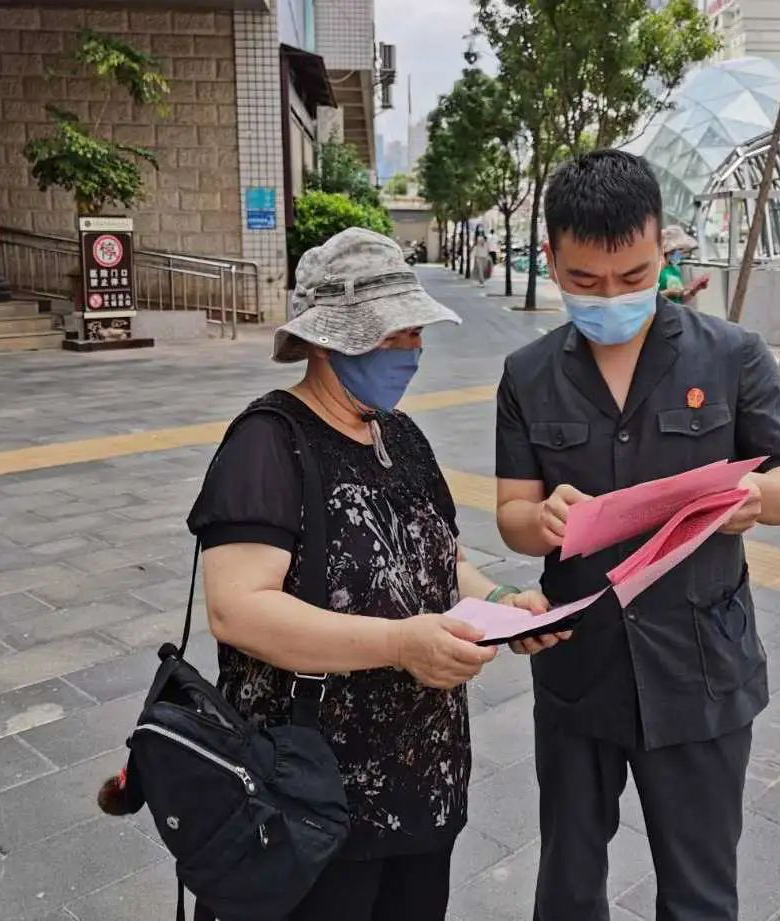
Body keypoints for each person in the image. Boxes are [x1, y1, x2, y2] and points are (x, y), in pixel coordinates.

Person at [187, 228, 554, 921]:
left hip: (421, 789)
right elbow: (238, 609)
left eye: (415, 333)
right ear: (329, 341)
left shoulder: (401, 434)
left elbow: (443, 560)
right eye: (392, 335)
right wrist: (400, 644)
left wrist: (506, 603)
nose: (411, 350)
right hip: (309, 799)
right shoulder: (268, 441)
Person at [494, 150, 780, 921]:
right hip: (580, 666)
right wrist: (540, 520)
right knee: (568, 885)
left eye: (633, 275)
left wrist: (757, 496)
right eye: (585, 280)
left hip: (699, 667)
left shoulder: (730, 355)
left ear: (662, 250)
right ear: (551, 259)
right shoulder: (528, 373)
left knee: (700, 892)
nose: (611, 296)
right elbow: (512, 511)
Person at [658, 224, 708, 304]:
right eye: (680, 249)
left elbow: (681, 300)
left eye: (683, 250)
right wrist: (668, 292)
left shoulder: (675, 269)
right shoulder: (658, 268)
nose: (681, 253)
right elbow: (649, 298)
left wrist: (695, 289)